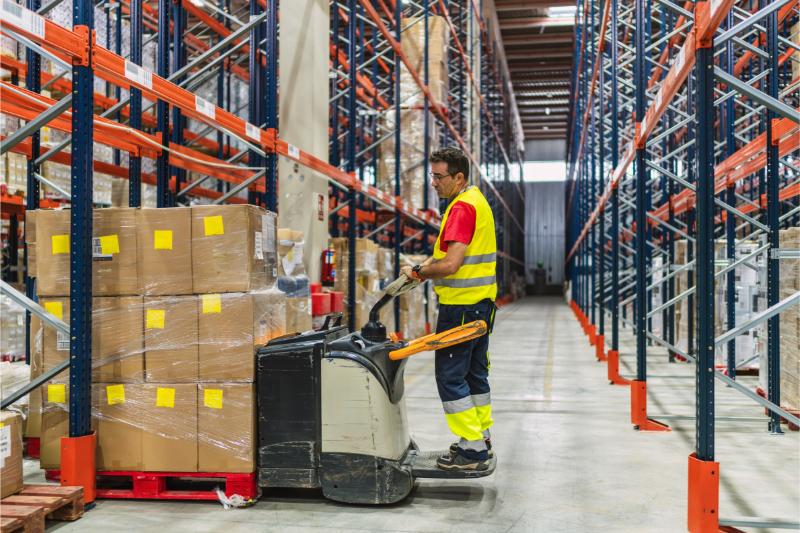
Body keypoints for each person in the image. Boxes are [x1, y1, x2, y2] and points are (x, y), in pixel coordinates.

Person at [400, 146, 497, 472]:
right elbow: (447, 256)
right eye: (432, 175)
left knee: (450, 376)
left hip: (461, 308)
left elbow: (451, 264)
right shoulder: (476, 200)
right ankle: (481, 438)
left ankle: (471, 450)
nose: (434, 182)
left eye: (439, 176)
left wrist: (418, 273)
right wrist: (423, 267)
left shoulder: (461, 208)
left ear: (458, 177)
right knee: (474, 374)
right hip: (481, 305)